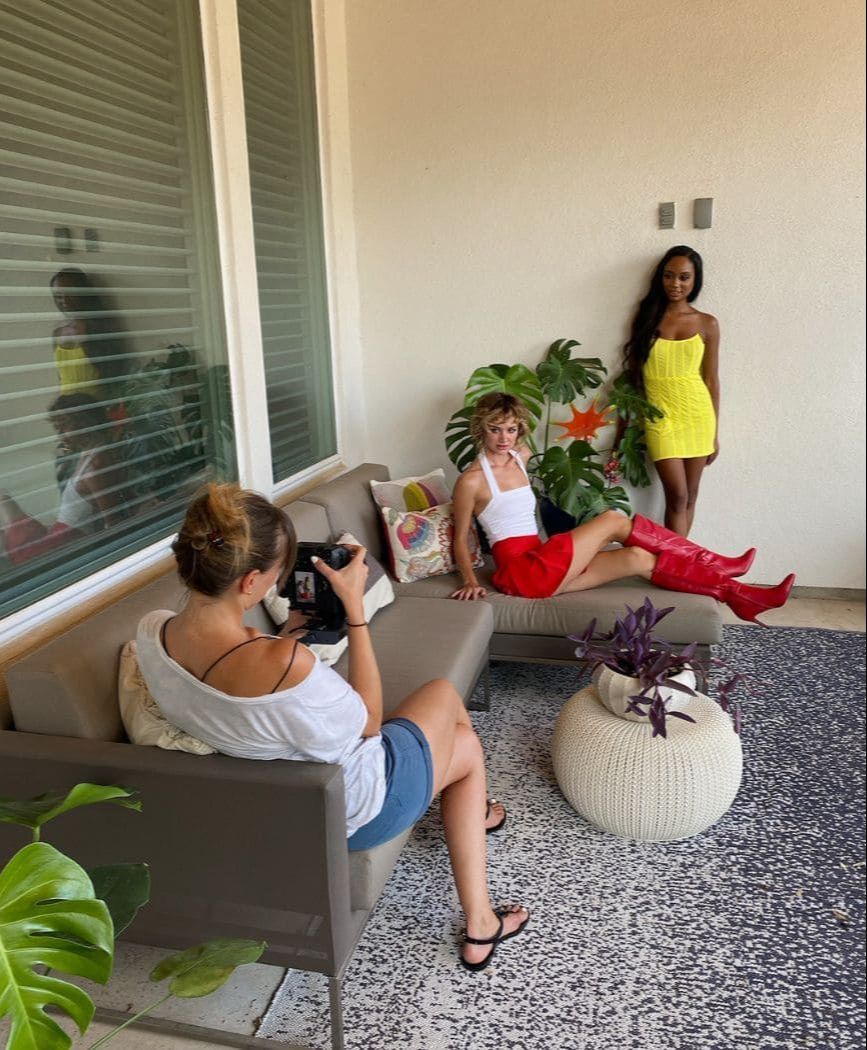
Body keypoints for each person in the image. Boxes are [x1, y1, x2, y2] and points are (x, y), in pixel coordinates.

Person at [134, 483, 530, 972]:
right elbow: (368, 722)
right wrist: (355, 615)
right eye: (278, 575)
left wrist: (282, 636)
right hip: (355, 808)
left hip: (278, 797)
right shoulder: (286, 663)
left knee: (463, 745)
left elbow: (235, 684)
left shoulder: (152, 631)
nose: (279, 584)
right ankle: (480, 913)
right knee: (450, 708)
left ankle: (479, 876)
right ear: (250, 581)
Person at [451, 393, 794, 624]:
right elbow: (461, 537)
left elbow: (522, 438)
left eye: (511, 429)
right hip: (523, 573)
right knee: (613, 519)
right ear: (481, 429)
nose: (503, 438)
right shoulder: (471, 481)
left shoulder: (520, 457)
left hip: (546, 563)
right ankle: (715, 561)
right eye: (494, 429)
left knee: (639, 559)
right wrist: (470, 580)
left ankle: (740, 596)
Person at [618, 245, 719, 536]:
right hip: (660, 417)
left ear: (694, 281)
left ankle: (679, 564)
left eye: (684, 277)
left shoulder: (707, 324)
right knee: (677, 496)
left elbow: (711, 380)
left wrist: (714, 433)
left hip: (698, 416)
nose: (676, 284)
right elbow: (634, 378)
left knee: (691, 494)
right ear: (660, 278)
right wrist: (622, 429)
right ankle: (677, 564)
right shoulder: (646, 318)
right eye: (669, 276)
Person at [0, 393, 125, 565]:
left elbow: (114, 522)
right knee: (5, 502)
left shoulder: (96, 466)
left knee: (4, 502)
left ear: (83, 424)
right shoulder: (89, 453)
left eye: (63, 427)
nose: (59, 435)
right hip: (59, 537)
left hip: (61, 548)